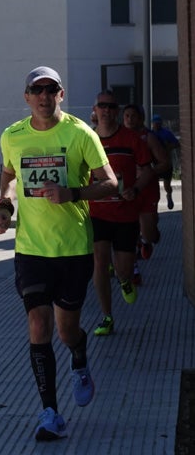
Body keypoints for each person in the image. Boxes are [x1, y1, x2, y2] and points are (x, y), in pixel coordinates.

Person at [0, 66, 117, 442]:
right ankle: (50, 412)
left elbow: (110, 183)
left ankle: (79, 357)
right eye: (37, 90)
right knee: (38, 326)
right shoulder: (12, 136)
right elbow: (10, 178)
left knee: (66, 331)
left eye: (52, 90)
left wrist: (72, 193)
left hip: (73, 248)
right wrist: (4, 207)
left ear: (61, 95)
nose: (45, 97)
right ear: (27, 96)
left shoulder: (81, 134)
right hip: (31, 249)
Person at [88, 92, 157, 337]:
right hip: (97, 212)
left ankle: (125, 280)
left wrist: (136, 189)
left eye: (111, 106)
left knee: (123, 270)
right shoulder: (88, 138)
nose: (106, 110)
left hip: (126, 214)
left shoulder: (131, 139)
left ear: (116, 111)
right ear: (95, 109)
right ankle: (107, 317)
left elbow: (148, 171)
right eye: (102, 106)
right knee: (99, 262)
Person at [122, 104, 170, 262]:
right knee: (129, 225)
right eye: (126, 116)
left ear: (141, 118)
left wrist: (148, 171)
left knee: (149, 231)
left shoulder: (148, 137)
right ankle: (137, 249)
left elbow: (165, 163)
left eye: (133, 116)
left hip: (147, 188)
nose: (129, 119)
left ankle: (149, 237)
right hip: (128, 188)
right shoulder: (120, 137)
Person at [150, 114, 180, 210]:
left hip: (166, 164)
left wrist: (168, 147)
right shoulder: (150, 134)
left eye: (158, 123)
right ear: (152, 123)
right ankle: (154, 203)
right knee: (153, 186)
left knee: (167, 185)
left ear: (161, 124)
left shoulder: (167, 133)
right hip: (155, 164)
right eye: (155, 123)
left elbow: (177, 144)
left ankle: (169, 195)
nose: (156, 125)